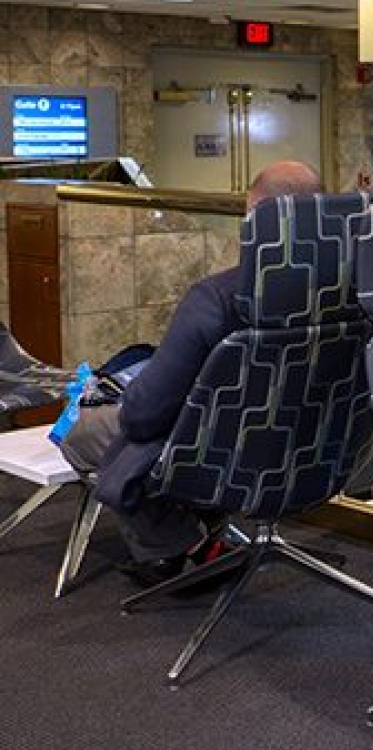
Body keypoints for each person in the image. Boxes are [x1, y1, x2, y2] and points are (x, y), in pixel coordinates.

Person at [60, 160, 324, 586]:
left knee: (84, 432)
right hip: (312, 450)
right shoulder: (353, 291)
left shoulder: (216, 299)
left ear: (254, 218)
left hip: (220, 457)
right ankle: (205, 531)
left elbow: (143, 415)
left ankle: (176, 546)